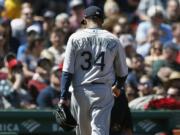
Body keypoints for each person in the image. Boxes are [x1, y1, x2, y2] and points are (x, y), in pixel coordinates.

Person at [58, 6, 128, 135]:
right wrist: (118, 87)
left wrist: (63, 96)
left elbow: (67, 71)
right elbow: (123, 73)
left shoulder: (74, 38)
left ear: (85, 19)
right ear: (102, 20)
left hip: (79, 91)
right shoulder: (113, 39)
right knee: (99, 130)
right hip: (103, 90)